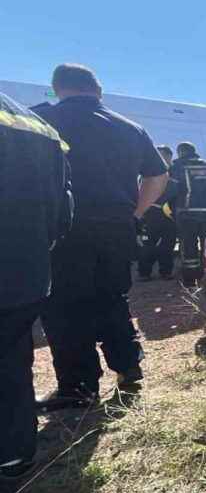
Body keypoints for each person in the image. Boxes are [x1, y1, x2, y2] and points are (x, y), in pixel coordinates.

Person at [33, 64, 168, 411]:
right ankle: (128, 367)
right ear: (99, 90)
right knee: (112, 296)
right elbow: (157, 175)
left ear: (57, 87)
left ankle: (78, 387)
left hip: (65, 228)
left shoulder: (43, 120)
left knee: (65, 307)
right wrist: (135, 213)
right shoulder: (130, 127)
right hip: (118, 227)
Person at [0, 92, 72, 493]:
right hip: (25, 273)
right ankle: (13, 455)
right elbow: (64, 213)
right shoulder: (41, 128)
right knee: (11, 363)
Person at [169, 141, 206, 286]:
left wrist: (172, 208)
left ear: (181, 152)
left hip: (187, 212)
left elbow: (171, 190)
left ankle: (190, 278)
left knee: (189, 245)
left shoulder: (177, 167)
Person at [138, 145, 177, 281]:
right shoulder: (148, 172)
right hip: (151, 214)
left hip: (170, 215)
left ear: (169, 156)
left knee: (168, 245)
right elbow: (140, 192)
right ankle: (144, 272)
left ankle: (166, 271)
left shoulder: (176, 172)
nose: (160, 157)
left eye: (163, 154)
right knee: (147, 244)